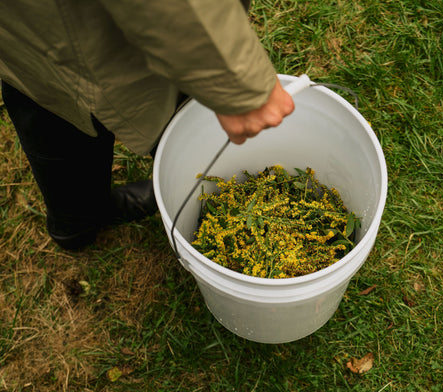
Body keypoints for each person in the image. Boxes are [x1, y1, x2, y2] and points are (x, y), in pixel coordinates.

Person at [0, 0, 294, 250]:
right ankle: (80, 218)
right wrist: (237, 83)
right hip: (135, 26)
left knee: (47, 91)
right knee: (157, 103)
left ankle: (75, 221)